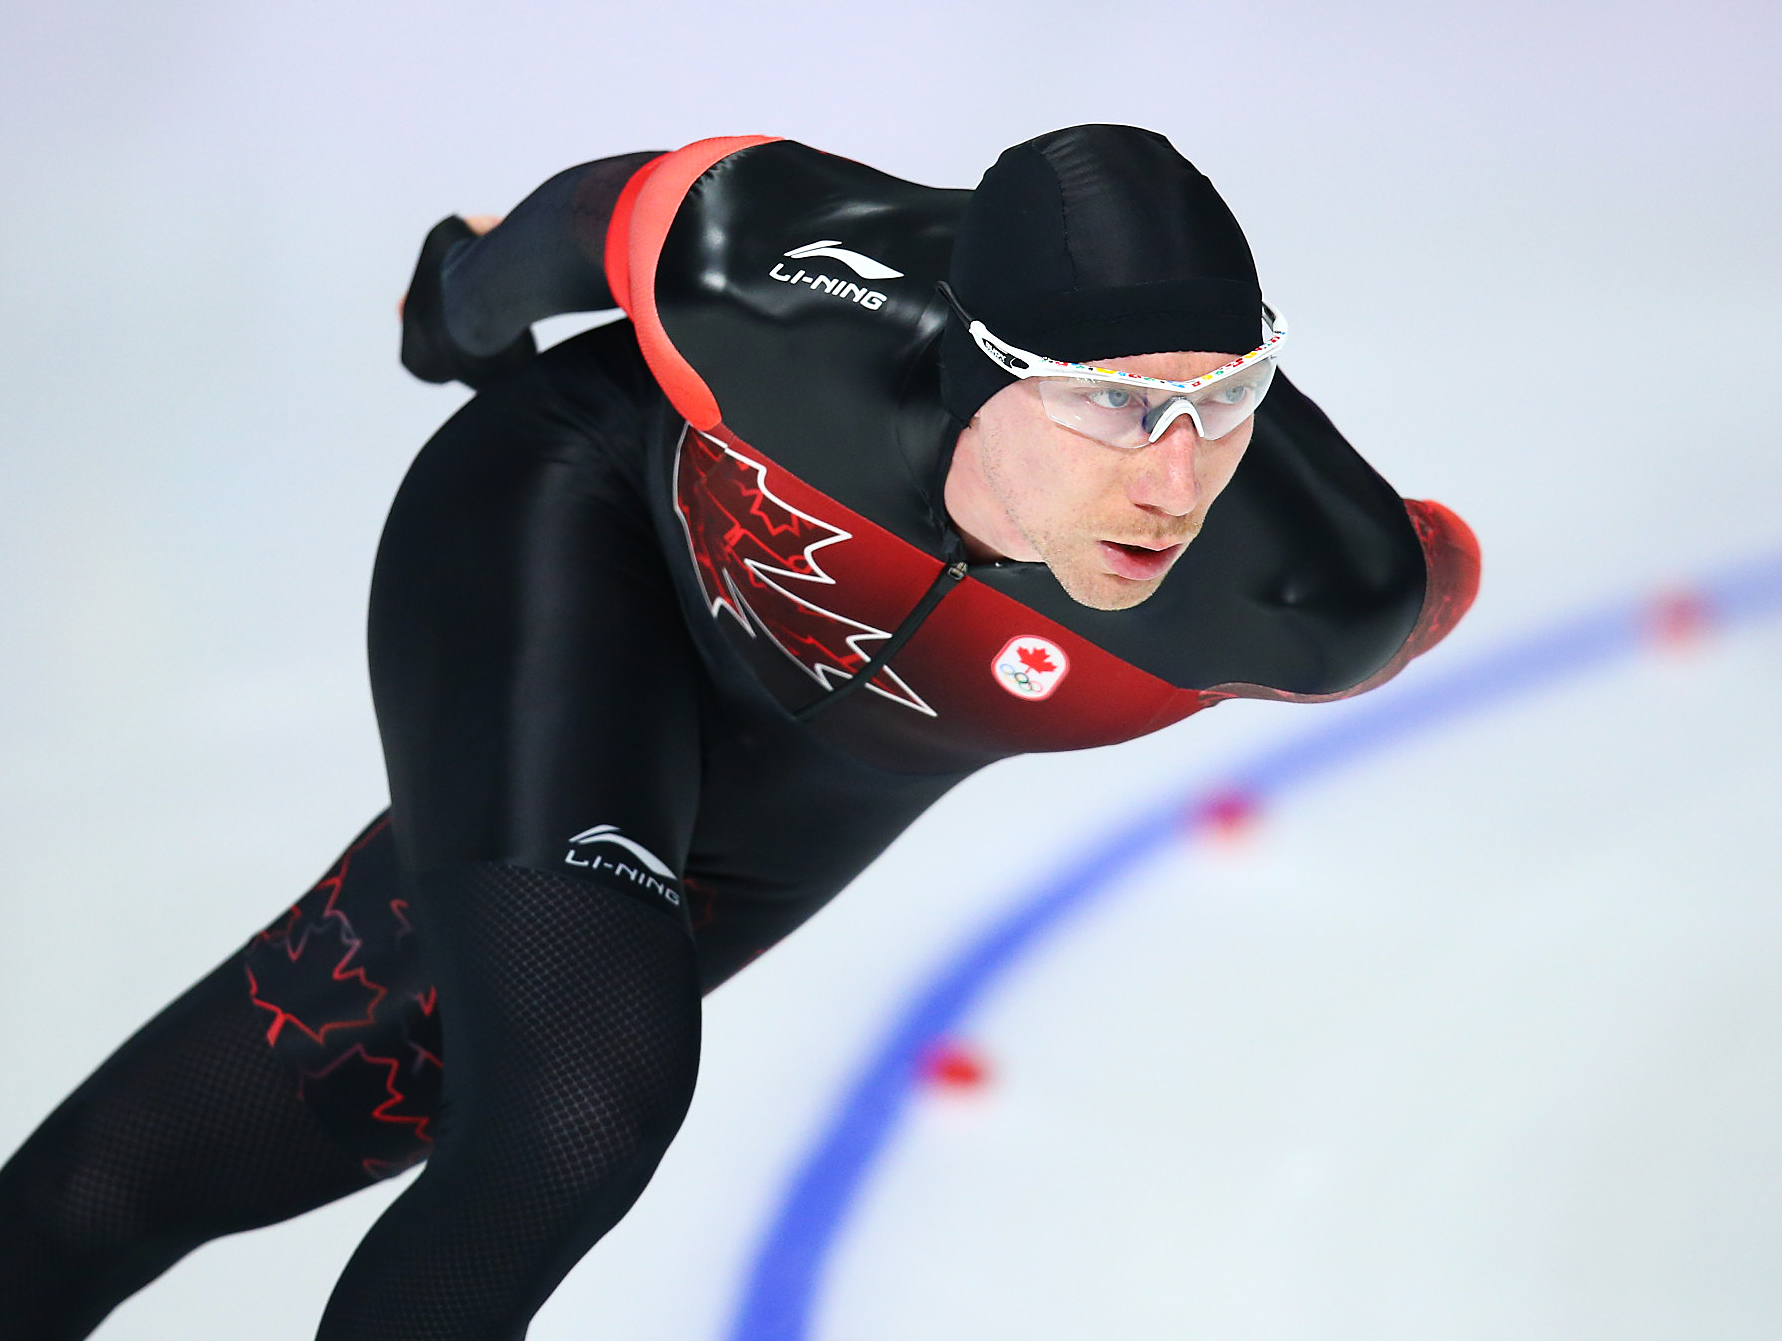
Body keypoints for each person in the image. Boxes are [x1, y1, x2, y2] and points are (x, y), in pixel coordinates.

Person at [0, 124, 1479, 1339]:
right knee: (581, 1103)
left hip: (811, 787)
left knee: (136, 1176)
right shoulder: (769, 284)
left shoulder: (1307, 587)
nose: (1176, 479)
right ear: (978, 365)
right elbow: (602, 222)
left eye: (1221, 398)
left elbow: (1428, 574)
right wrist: (459, 305)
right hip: (586, 536)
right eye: (1106, 404)